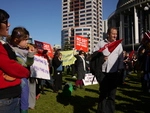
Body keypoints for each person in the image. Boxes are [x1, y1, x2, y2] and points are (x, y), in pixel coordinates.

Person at [0, 9, 30, 113]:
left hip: (10, 98)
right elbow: (10, 65)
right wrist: (26, 72)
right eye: (5, 22)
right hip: (5, 100)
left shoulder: (2, 45)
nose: (9, 24)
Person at [93, 27, 124, 113]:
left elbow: (121, 59)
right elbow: (94, 56)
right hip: (103, 73)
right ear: (108, 34)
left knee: (112, 95)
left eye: (116, 34)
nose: (115, 36)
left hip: (114, 73)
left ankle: (109, 111)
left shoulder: (119, 45)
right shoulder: (101, 44)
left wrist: (120, 70)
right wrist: (102, 58)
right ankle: (101, 111)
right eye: (113, 34)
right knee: (103, 94)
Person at [7, 27, 35, 113]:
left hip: (23, 77)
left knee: (24, 97)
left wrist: (30, 54)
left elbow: (29, 63)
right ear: (16, 40)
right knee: (22, 97)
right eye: (25, 40)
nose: (27, 42)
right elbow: (25, 64)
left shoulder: (24, 50)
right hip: (17, 79)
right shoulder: (11, 50)